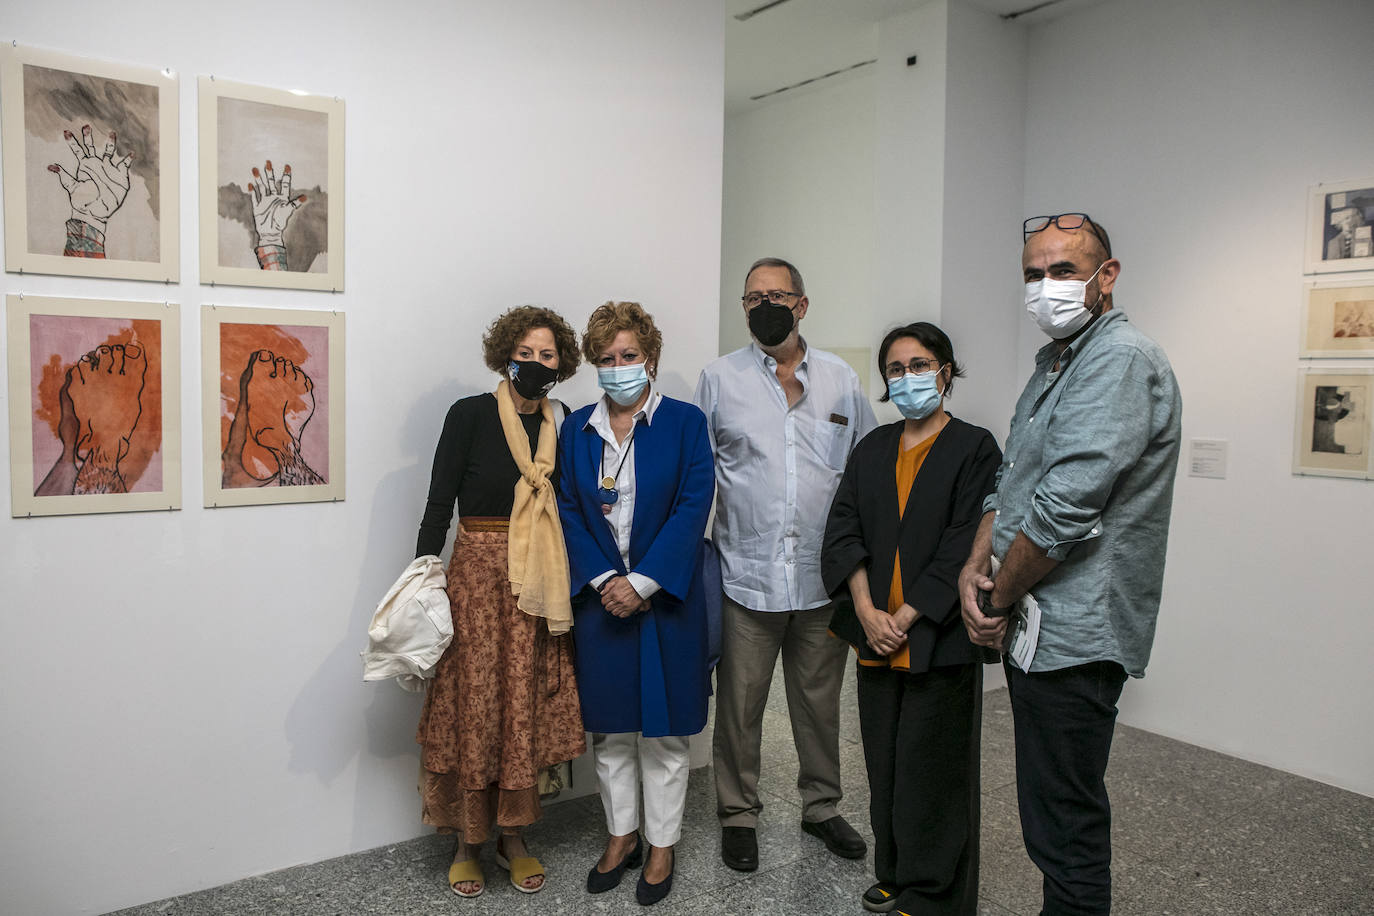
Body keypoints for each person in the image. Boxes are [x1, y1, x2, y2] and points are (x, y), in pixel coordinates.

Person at [959, 213, 1182, 915]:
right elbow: (1012, 479)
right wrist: (977, 563)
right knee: (1049, 813)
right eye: (1033, 273)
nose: (1045, 286)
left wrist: (992, 603)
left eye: (1062, 270)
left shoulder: (1119, 360)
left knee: (1066, 828)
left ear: (1105, 276)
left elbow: (1061, 512)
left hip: (1077, 634)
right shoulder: (1057, 361)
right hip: (1038, 621)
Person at [694, 257, 877, 872]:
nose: (764, 305)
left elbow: (865, 471)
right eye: (752, 297)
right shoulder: (718, 380)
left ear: (802, 304)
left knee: (820, 702)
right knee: (740, 708)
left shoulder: (841, 379)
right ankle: (738, 813)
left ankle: (821, 806)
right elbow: (701, 476)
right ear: (743, 307)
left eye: (776, 294)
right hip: (746, 575)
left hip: (821, 578)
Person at [822, 322, 1001, 915]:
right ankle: (895, 871)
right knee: (887, 764)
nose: (907, 378)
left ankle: (936, 893)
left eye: (920, 365)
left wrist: (903, 615)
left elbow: (963, 542)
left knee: (935, 772)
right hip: (876, 639)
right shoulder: (872, 448)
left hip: (938, 639)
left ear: (946, 372)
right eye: (896, 369)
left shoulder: (975, 448)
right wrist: (869, 613)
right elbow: (843, 528)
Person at [412, 305, 587, 898]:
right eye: (526, 353)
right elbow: (440, 501)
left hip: (537, 586)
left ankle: (514, 838)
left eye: (547, 355)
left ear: (561, 364)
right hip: (476, 584)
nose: (535, 363)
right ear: (504, 355)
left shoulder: (563, 425)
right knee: (475, 706)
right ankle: (467, 843)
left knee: (522, 709)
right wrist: (423, 577)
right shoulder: (469, 415)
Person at [557, 301, 715, 907]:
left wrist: (644, 581)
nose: (618, 368)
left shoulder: (683, 422)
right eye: (606, 359)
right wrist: (603, 580)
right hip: (602, 603)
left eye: (628, 356)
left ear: (650, 359)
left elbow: (692, 504)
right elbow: (569, 509)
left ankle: (662, 844)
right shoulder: (577, 429)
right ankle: (621, 837)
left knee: (667, 734)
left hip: (666, 599)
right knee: (614, 731)